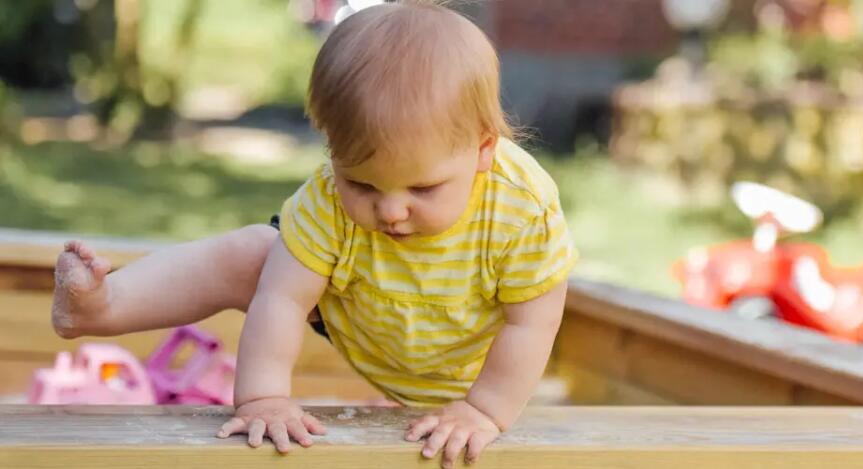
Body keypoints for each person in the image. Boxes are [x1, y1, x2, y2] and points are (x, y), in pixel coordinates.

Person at [50, 2, 576, 467]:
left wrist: (484, 409)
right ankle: (103, 304)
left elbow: (532, 323)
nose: (390, 211)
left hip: (472, 360)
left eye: (423, 188)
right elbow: (281, 299)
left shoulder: (520, 208)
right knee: (254, 254)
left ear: (483, 150)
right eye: (362, 184)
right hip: (363, 314)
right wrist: (262, 398)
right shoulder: (326, 197)